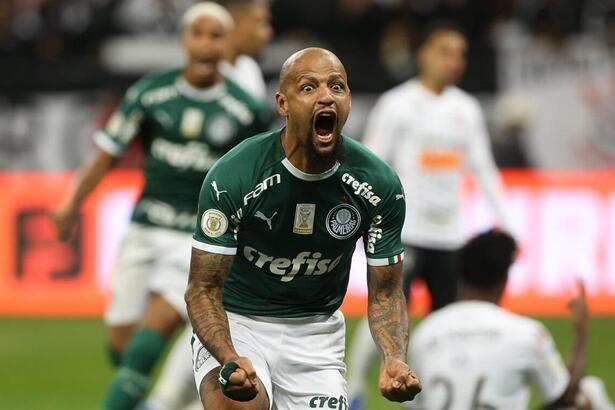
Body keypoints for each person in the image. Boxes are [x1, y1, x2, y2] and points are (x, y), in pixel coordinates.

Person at [51, 3, 271, 409]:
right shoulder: (150, 92)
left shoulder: (245, 110)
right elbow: (107, 152)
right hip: (143, 230)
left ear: (227, 45)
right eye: (198, 34)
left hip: (195, 241)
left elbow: (262, 180)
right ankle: (178, 392)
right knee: (121, 348)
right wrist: (70, 204)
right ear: (183, 40)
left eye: (215, 36)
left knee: (143, 351)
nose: (206, 44)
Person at [186, 47, 422, 409]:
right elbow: (202, 290)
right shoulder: (235, 176)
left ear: (349, 101)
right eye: (309, 87)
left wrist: (393, 357)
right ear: (283, 103)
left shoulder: (378, 185)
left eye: (337, 87)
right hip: (237, 323)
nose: (326, 95)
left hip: (315, 335)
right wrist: (228, 355)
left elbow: (387, 294)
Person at [348, 20, 511, 409]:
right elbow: (371, 164)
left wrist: (506, 220)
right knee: (388, 316)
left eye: (460, 54)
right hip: (403, 233)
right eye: (446, 51)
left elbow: (483, 167)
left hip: (450, 235)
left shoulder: (466, 109)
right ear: (423, 55)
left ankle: (426, 400)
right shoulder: (397, 104)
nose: (454, 61)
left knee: (445, 327)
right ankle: (354, 386)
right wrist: (365, 220)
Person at [140, 2, 274, 409]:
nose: (267, 32)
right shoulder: (215, 83)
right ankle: (162, 401)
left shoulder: (248, 73)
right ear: (232, 25)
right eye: (260, 22)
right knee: (212, 314)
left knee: (222, 320)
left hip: (243, 219)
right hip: (212, 222)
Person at [405, 229, 614, 410]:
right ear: (504, 279)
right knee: (590, 391)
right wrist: (581, 334)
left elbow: (414, 402)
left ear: (460, 275)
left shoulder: (425, 332)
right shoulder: (525, 333)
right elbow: (566, 396)